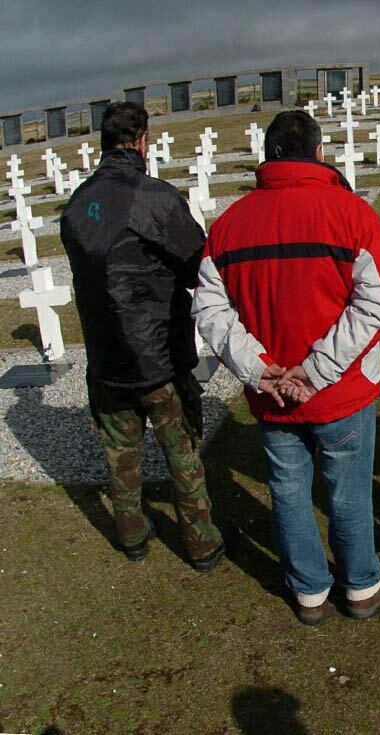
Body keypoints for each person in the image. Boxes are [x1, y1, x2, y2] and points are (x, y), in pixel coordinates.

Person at [191, 111, 380, 625]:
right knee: (347, 489)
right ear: (318, 153)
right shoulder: (352, 215)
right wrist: (315, 372)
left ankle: (308, 591)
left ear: (268, 156)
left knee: (288, 489)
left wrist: (261, 369)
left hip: (272, 395)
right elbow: (375, 305)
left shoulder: (229, 224)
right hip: (342, 391)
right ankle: (361, 585)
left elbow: (209, 308)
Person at [61, 101, 235, 571]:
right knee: (181, 449)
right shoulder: (153, 197)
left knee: (120, 451)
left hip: (105, 355)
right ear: (142, 140)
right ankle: (201, 541)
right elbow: (197, 261)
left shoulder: (78, 204)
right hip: (158, 353)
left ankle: (131, 532)